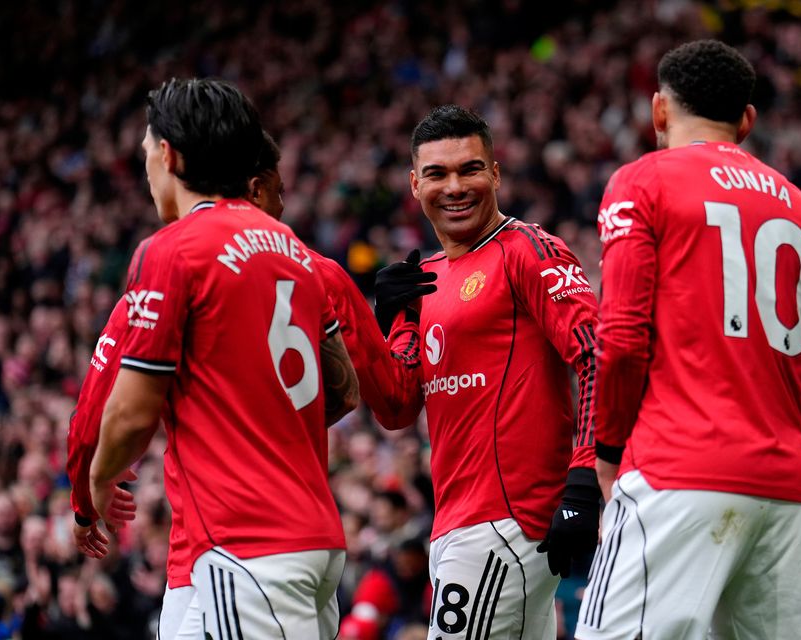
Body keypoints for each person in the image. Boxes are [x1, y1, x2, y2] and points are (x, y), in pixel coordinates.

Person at [577, 40, 801, 639]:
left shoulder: (643, 181)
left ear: (659, 112)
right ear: (747, 120)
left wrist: (607, 453)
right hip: (787, 486)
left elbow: (620, 336)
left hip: (676, 468)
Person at [88, 78, 359, 640]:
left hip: (249, 546)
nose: (145, 171)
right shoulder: (295, 251)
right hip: (309, 538)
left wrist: (98, 477)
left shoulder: (172, 249)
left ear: (168, 154)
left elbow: (133, 414)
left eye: (145, 155)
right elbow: (343, 390)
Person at [373, 104, 600, 640]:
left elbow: (595, 353)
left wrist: (585, 477)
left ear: (495, 173)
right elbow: (398, 407)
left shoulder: (527, 249)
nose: (455, 186)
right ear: (414, 184)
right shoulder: (423, 279)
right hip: (459, 522)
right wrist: (387, 326)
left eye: (470, 169)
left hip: (507, 524)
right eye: (437, 174)